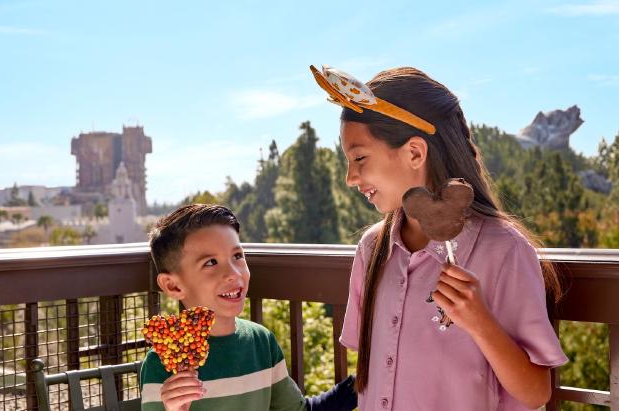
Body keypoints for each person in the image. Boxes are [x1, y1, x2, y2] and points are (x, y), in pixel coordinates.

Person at [310, 65, 568, 410]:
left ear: (415, 152)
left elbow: (537, 392)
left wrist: (480, 323)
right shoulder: (372, 249)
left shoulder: (504, 250)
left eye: (359, 158)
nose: (350, 177)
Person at [139, 204, 357, 411]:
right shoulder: (161, 364)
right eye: (211, 263)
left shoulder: (262, 343)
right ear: (173, 285)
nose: (234, 273)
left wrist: (362, 384)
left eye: (237, 256)